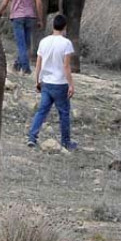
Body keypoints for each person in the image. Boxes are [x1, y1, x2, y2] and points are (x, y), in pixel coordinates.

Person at [28, 14, 77, 152]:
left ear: (53, 25)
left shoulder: (44, 41)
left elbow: (38, 63)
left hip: (46, 83)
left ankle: (32, 137)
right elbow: (66, 67)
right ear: (65, 27)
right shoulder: (66, 44)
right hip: (60, 84)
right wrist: (71, 84)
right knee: (64, 113)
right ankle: (66, 142)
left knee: (42, 111)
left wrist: (37, 80)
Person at [0, 0, 43, 74]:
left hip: (17, 16)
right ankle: (17, 66)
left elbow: (5, 2)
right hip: (30, 16)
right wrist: (40, 19)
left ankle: (26, 69)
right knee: (26, 44)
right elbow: (39, 3)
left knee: (21, 44)